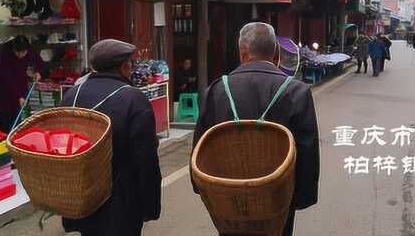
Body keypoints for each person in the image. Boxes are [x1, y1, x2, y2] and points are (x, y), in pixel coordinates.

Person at [192, 22, 319, 236]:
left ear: (242, 52)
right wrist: (300, 198)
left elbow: (200, 145)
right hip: (278, 198)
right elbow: (307, 150)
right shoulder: (297, 92)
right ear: (276, 53)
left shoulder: (216, 91)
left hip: (227, 198)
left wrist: (204, 187)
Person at [61, 39, 162, 236]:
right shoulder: (133, 98)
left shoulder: (71, 95)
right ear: (125, 67)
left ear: (94, 66)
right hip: (120, 202)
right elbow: (146, 159)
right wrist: (151, 206)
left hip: (81, 198)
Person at [0, 35, 44, 133]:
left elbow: (38, 61)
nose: (20, 55)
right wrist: (18, 96)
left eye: (23, 52)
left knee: (18, 114)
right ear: (13, 49)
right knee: (6, 115)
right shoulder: (4, 54)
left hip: (19, 80)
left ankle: (16, 135)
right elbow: (7, 79)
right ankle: (5, 136)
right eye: (18, 52)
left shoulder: (29, 49)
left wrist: (38, 71)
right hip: (2, 86)